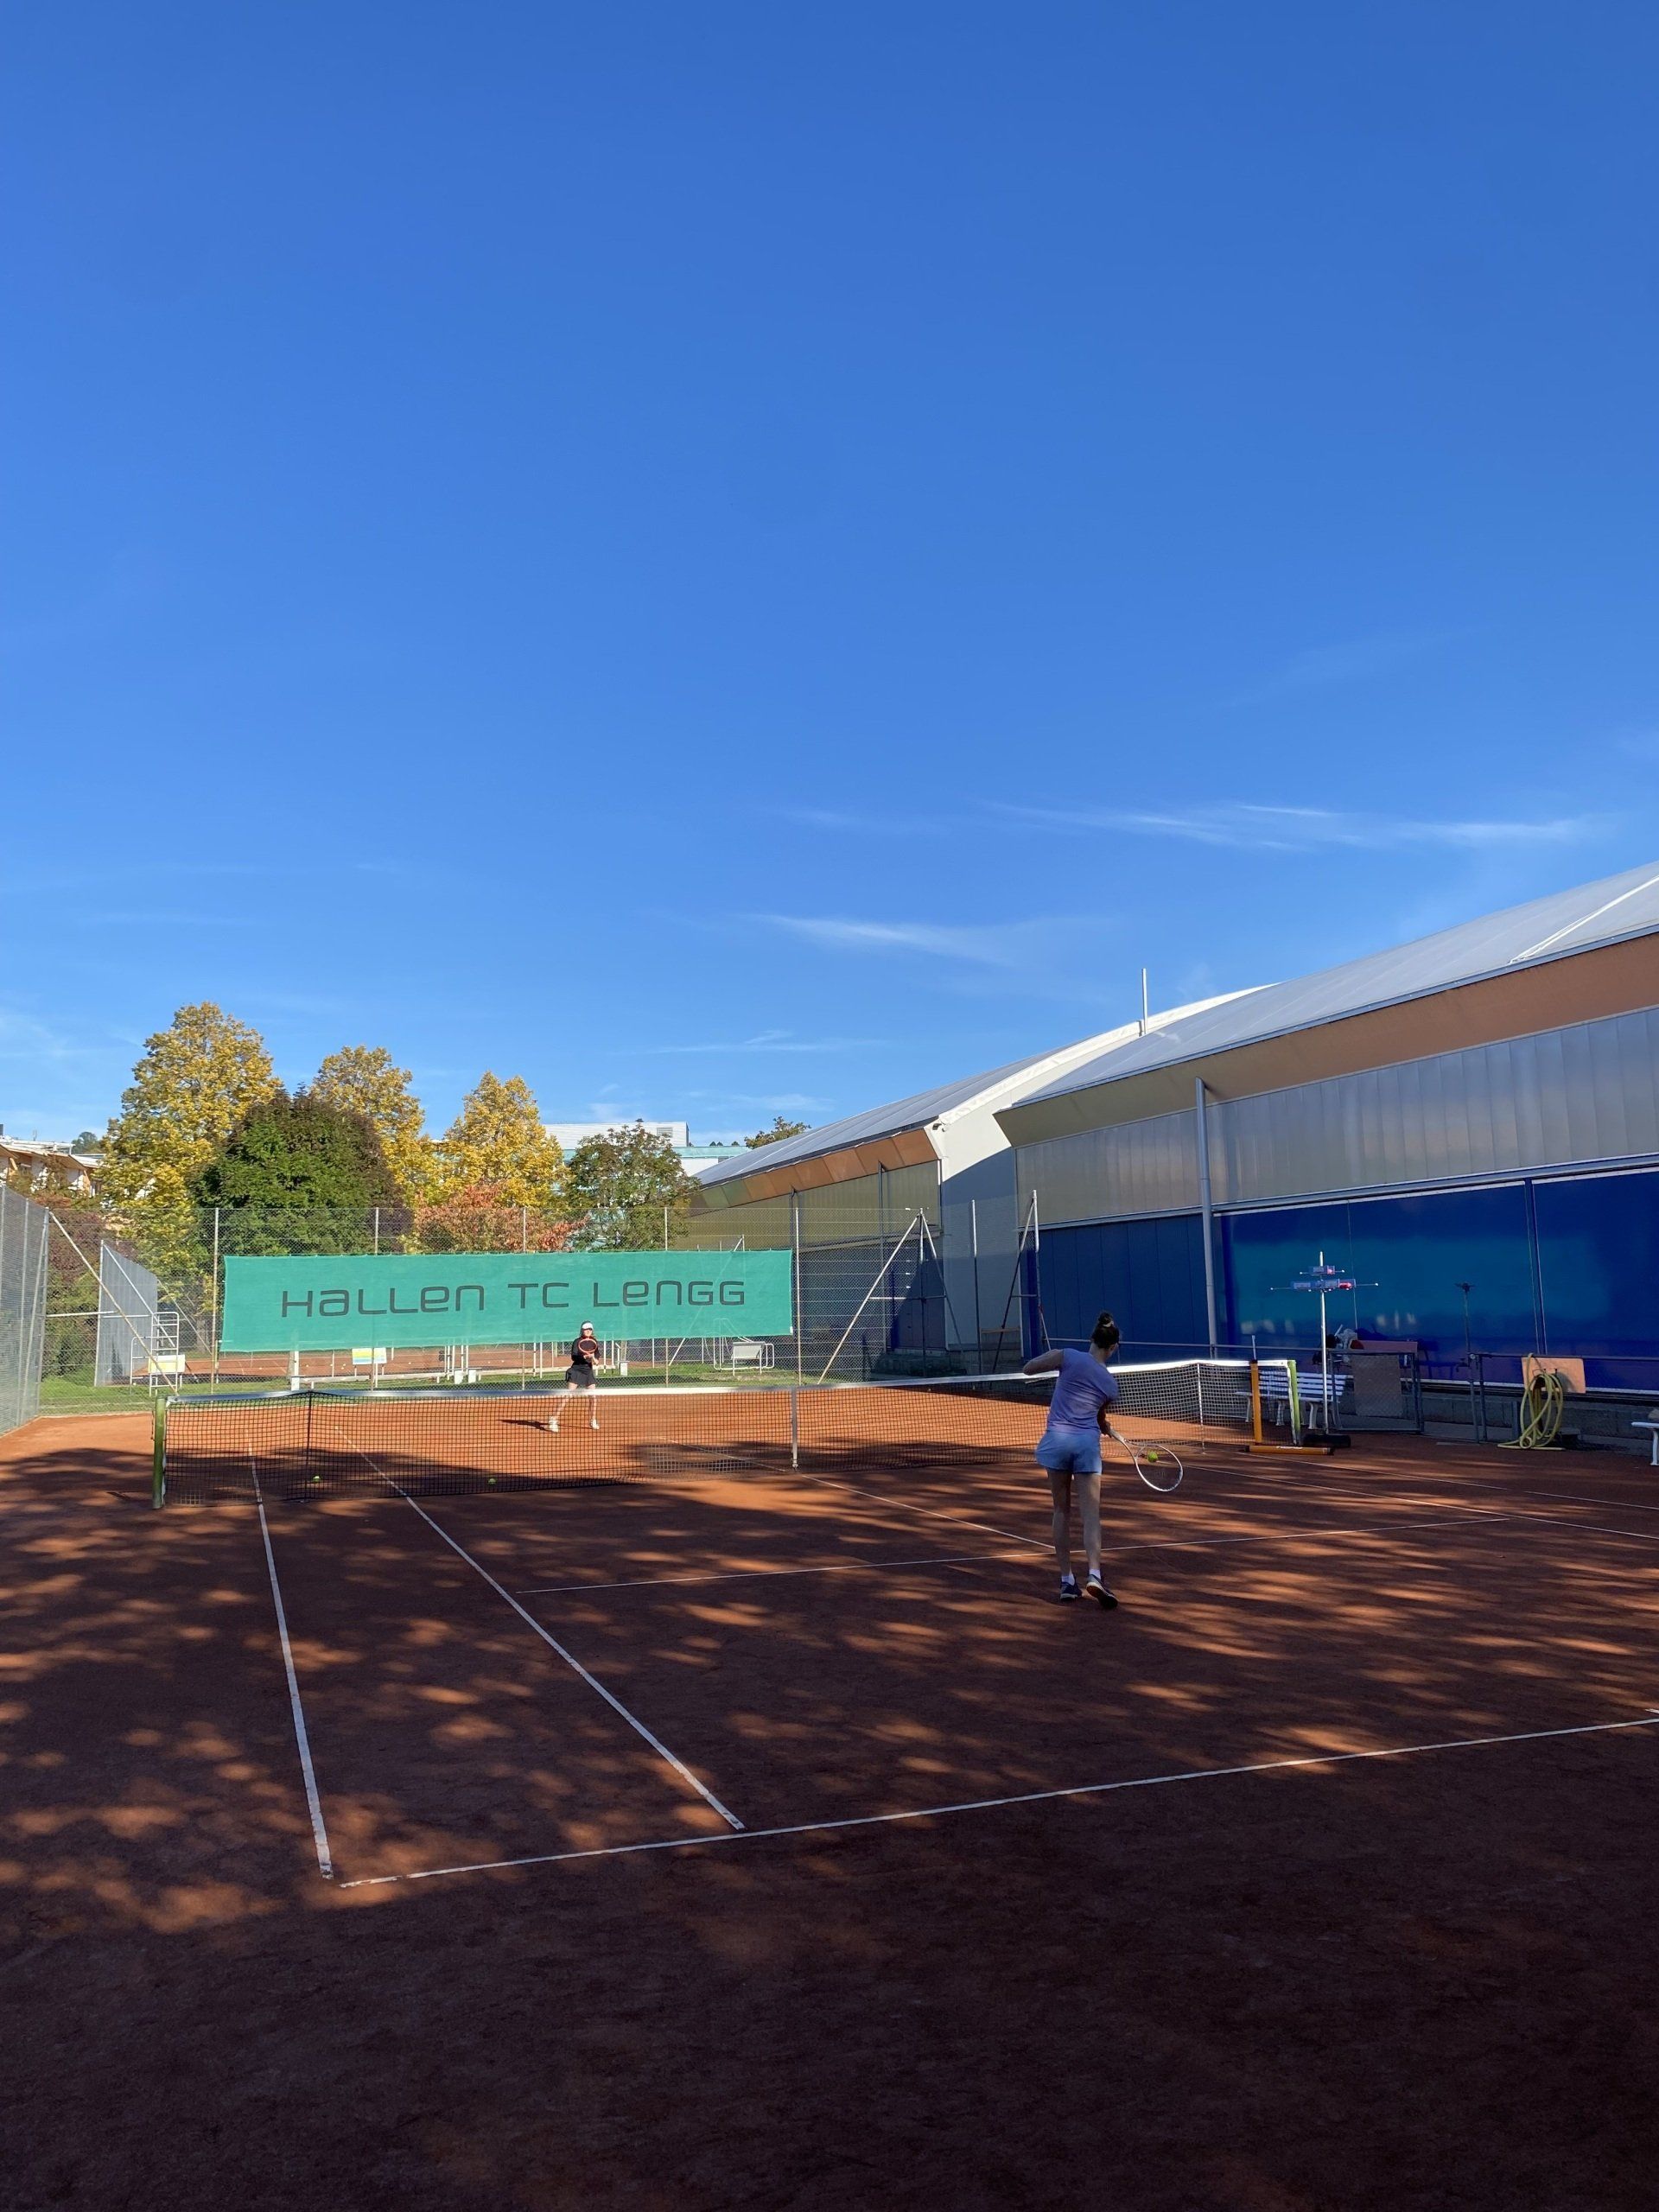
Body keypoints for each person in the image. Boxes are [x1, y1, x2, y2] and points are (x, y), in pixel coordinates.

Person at [1022, 1312, 1122, 1608]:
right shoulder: (1110, 1385)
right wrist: (1104, 1426)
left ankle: (1067, 1580)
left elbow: (1028, 1369)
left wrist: (1056, 1359)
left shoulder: (1067, 1356)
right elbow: (1099, 1417)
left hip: (1057, 1442)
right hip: (1086, 1445)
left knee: (1061, 1511)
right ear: (1113, 1348)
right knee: (1091, 1515)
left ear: (1091, 1339)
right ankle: (1094, 1574)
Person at [549, 1323, 604, 1432]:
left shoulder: (594, 1342)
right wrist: (585, 1356)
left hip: (588, 1371)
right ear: (582, 1330)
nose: (588, 1331)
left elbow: (597, 1361)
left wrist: (593, 1357)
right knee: (568, 1396)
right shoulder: (577, 1341)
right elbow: (574, 1357)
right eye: (585, 1329)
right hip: (576, 1370)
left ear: (592, 1330)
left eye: (590, 1329)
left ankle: (593, 1420)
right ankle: (553, 1420)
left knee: (593, 1398)